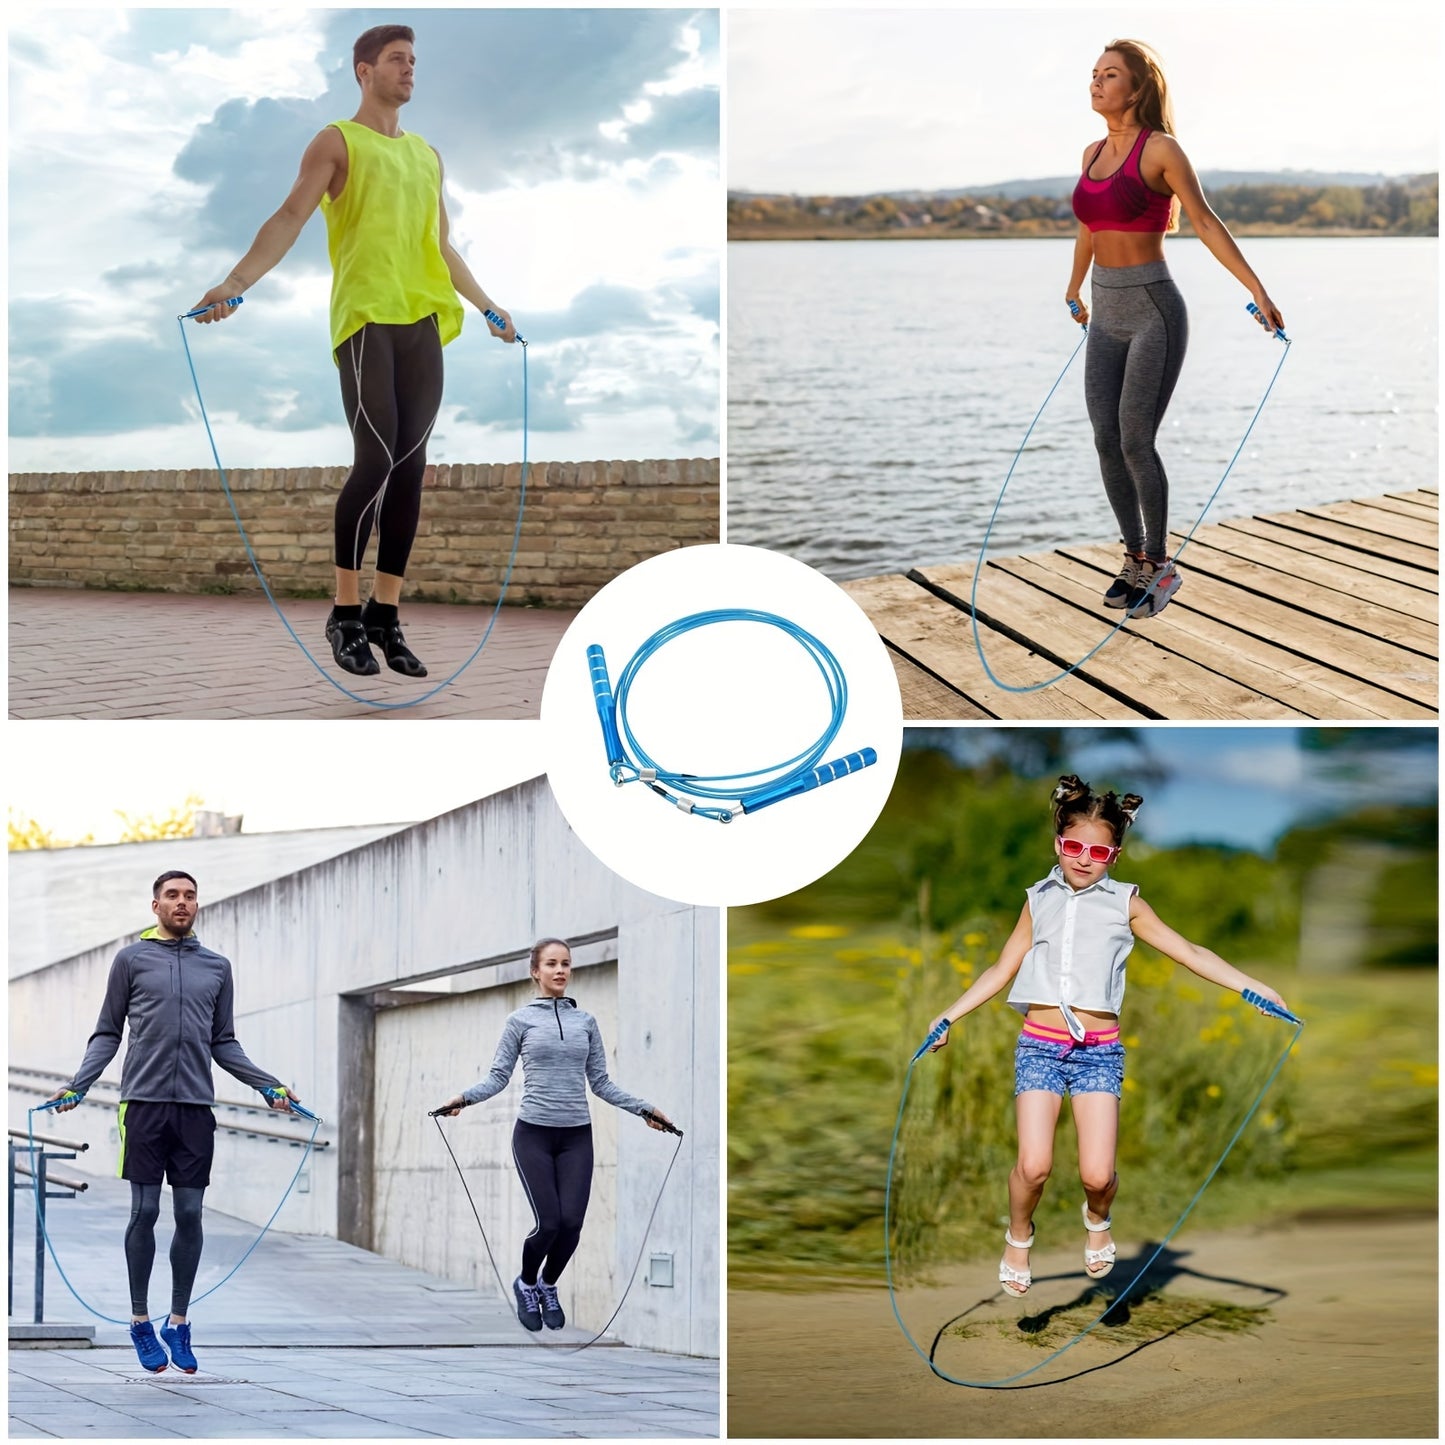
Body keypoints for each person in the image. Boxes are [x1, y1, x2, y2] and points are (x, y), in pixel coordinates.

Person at [190, 23, 518, 680]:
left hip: (425, 320)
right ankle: (343, 612)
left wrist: (487, 305)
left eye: (415, 60)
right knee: (375, 457)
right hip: (366, 320)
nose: (410, 70)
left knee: (410, 465)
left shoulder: (427, 155)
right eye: (398, 60)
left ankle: (385, 617)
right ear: (364, 70)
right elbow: (288, 217)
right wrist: (233, 283)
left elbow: (441, 245)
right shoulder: (336, 141)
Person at [925, 775, 1288, 1299]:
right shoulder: (1038, 899)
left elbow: (1189, 952)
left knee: (1098, 1176)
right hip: (1040, 1047)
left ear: (1115, 854)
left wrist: (1252, 986)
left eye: (1098, 850)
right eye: (1073, 846)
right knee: (1034, 1164)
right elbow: (1001, 968)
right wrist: (947, 1017)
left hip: (1098, 1054)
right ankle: (1018, 1235)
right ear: (1058, 844)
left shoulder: (1126, 903)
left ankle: (1098, 1221)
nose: (1083, 858)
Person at [1066, 39, 1286, 617]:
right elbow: (1090, 227)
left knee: (1136, 437)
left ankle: (1161, 566)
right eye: (1093, 73)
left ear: (1135, 88)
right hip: (1105, 312)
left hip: (1153, 310)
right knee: (1105, 440)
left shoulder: (1161, 150)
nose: (1096, 82)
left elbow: (1206, 223)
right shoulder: (1090, 152)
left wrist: (1257, 290)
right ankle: (1134, 557)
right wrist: (1072, 288)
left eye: (1109, 75)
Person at [48, 871, 298, 1374]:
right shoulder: (131, 960)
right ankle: (141, 1321)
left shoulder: (217, 967)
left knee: (190, 1214)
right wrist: (80, 1083)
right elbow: (107, 1032)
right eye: (172, 896)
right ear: (155, 905)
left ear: (196, 905)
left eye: (189, 896)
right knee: (143, 1213)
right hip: (142, 1105)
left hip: (194, 1109)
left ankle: (178, 1323)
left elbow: (223, 1041)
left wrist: (268, 1084)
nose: (182, 903)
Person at [437, 938, 675, 1332]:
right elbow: (498, 1077)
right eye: (551, 964)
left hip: (576, 1137)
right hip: (533, 1134)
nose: (560, 970)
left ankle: (549, 1284)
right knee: (548, 1224)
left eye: (566, 963)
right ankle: (526, 1283)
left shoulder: (587, 1023)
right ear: (536, 972)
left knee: (571, 1225)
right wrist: (463, 1098)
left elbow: (600, 1083)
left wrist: (645, 1110)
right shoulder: (519, 1022)